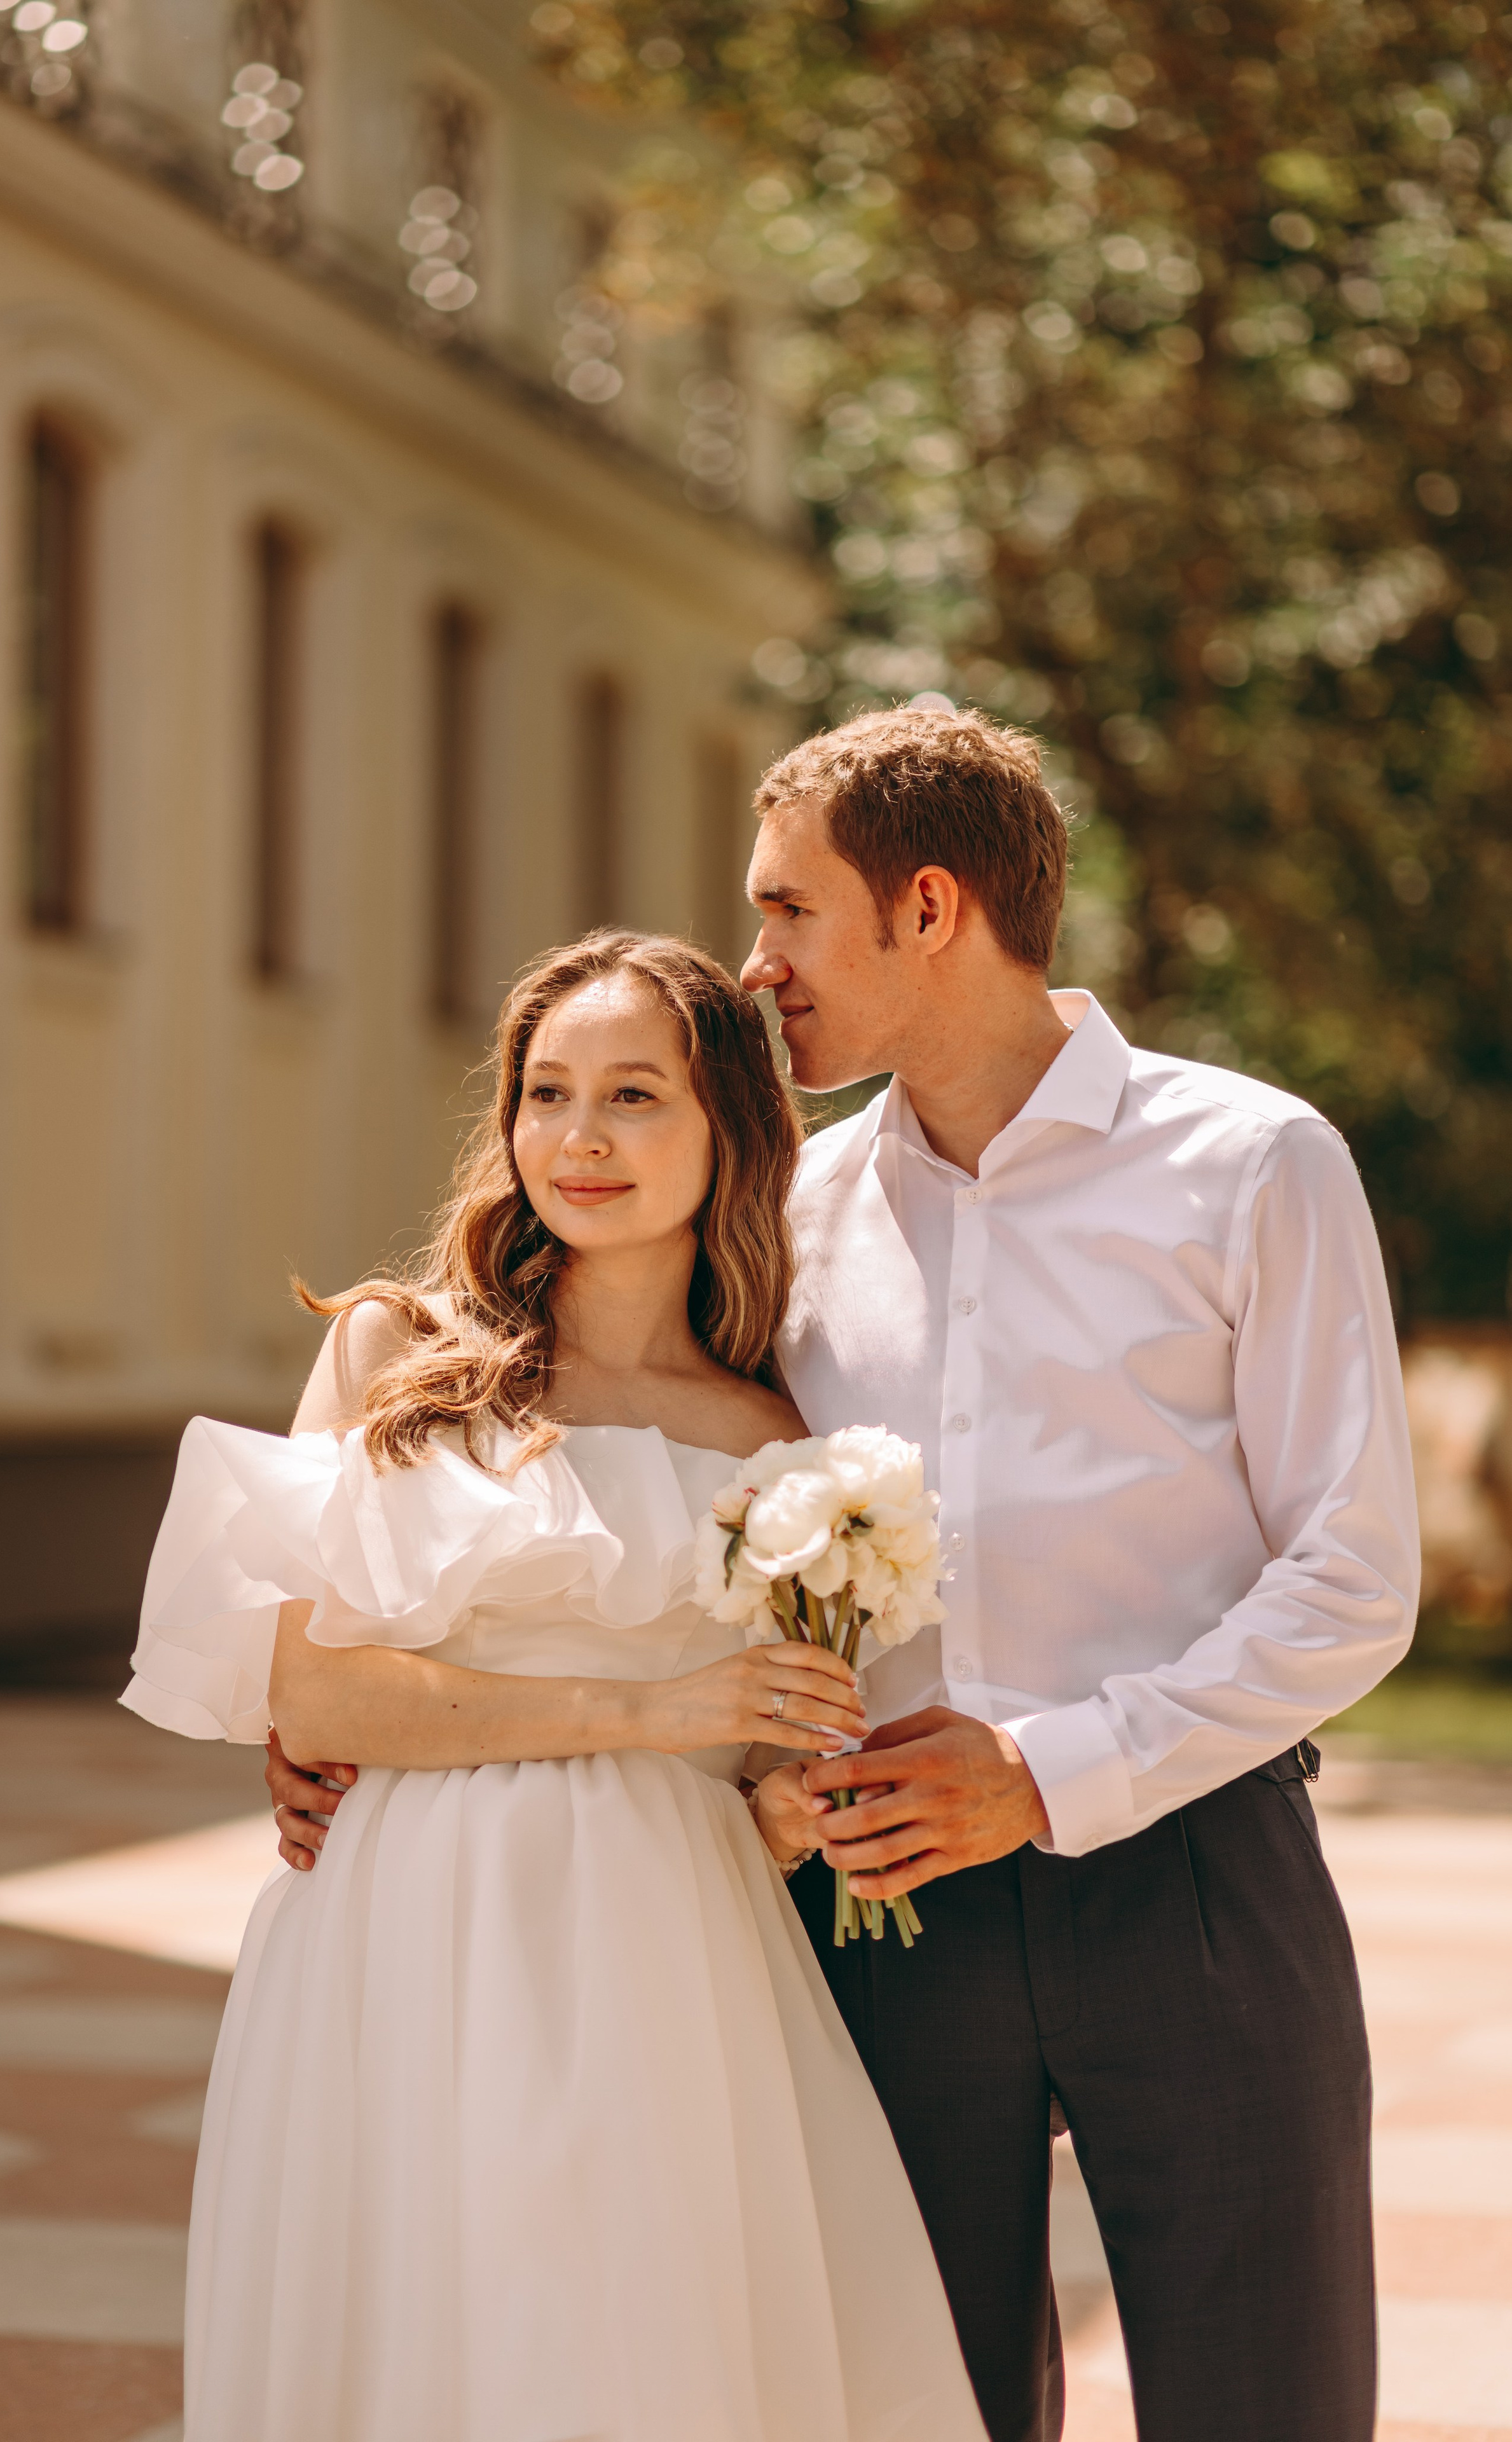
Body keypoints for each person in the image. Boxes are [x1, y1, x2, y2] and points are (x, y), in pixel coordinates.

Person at [271, 706, 1420, 2442]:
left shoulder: (1252, 1165)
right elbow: (617, 1472)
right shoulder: (789, 1219)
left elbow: (1352, 1577)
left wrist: (1042, 1774)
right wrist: (350, 1719)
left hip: (1191, 1880)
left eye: (788, 913)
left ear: (932, 909)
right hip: (873, 1907)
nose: (757, 966)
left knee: (1268, 2397)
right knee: (901, 2396)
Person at [123, 932, 987, 2442]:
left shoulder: (768, 1437)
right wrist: (659, 1717)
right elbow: (317, 1699)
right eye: (546, 1093)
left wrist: (787, 1792)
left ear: (728, 1125)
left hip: (668, 1944)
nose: (578, 1139)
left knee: (615, 2355)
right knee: (409, 2338)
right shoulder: (400, 1355)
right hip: (396, 1932)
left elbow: (763, 1776)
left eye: (635, 1096)